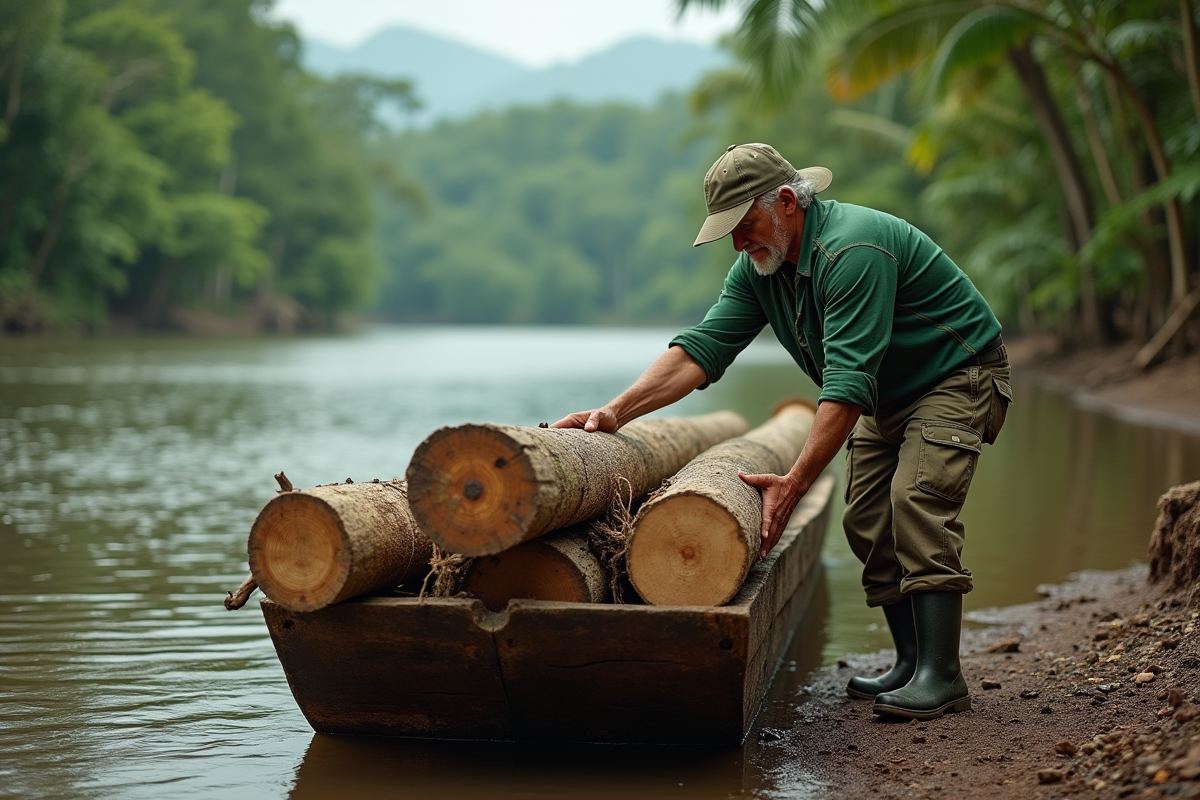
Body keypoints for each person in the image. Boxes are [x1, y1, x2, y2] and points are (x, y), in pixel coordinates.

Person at [553, 142, 1013, 721]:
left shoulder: (852, 250)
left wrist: (794, 481)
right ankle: (911, 661)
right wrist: (614, 412)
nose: (740, 244)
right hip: (890, 392)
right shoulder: (760, 269)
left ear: (789, 202)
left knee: (917, 502)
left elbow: (846, 385)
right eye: (732, 236)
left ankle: (942, 676)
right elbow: (702, 347)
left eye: (745, 227)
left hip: (957, 375)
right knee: (867, 519)